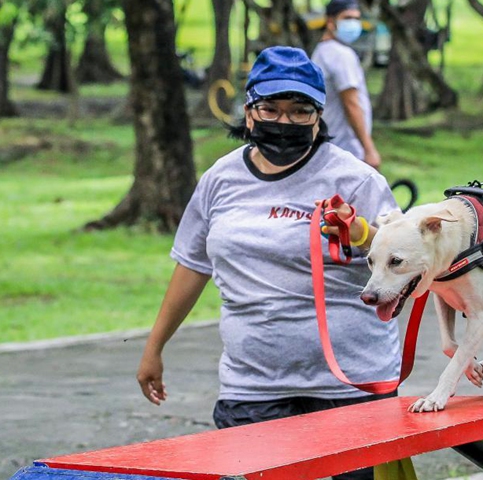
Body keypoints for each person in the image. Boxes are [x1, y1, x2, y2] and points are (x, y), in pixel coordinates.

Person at [136, 46, 400, 480]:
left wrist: (362, 235)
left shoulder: (355, 179)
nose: (284, 121)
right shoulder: (220, 180)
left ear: (319, 115)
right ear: (248, 109)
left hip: (350, 384)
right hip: (253, 386)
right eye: (271, 109)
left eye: (299, 111)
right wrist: (154, 347)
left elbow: (402, 263)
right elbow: (192, 265)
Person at [311, 0, 382, 170]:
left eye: (356, 18)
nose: (353, 24)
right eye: (347, 18)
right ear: (330, 21)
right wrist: (369, 149)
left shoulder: (322, 51)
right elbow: (351, 104)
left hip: (329, 147)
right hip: (346, 148)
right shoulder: (340, 55)